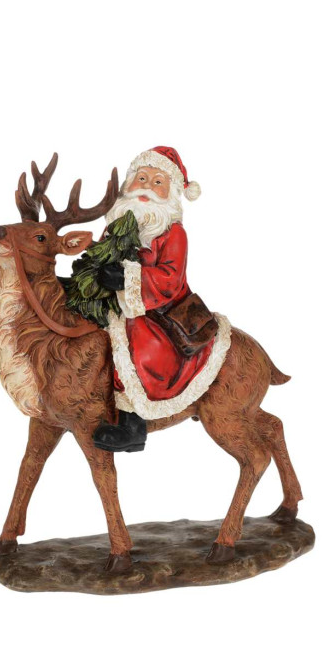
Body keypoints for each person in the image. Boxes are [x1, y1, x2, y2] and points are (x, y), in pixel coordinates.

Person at [92, 146, 230, 453]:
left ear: (171, 193)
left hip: (159, 310)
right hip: (113, 305)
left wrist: (127, 278)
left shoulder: (173, 233)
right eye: (141, 178)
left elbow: (170, 279)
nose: (147, 188)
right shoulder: (115, 227)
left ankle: (132, 426)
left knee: (140, 346)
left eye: (158, 182)